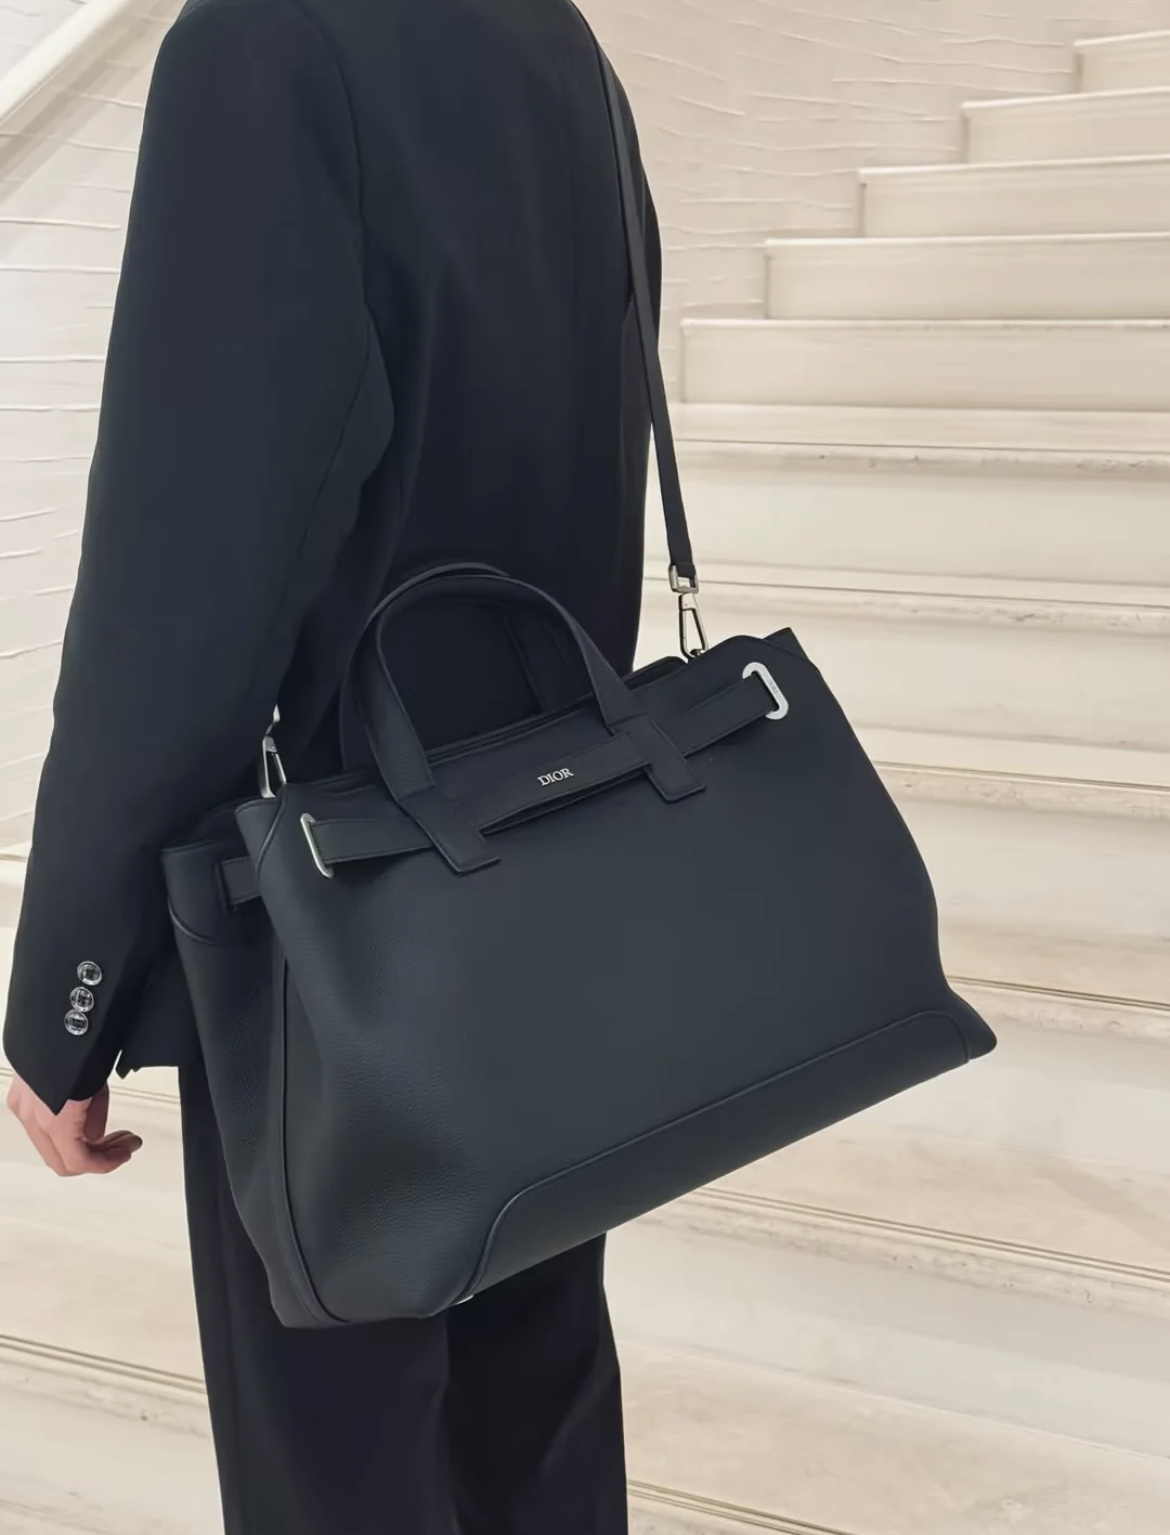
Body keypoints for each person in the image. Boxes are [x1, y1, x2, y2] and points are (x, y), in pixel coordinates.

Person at [3, 0, 662, 1528]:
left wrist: (71, 986)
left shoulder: (267, 45)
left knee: (339, 1465)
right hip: (556, 864)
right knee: (536, 1419)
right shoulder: (558, 49)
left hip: (335, 923)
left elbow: (186, 569)